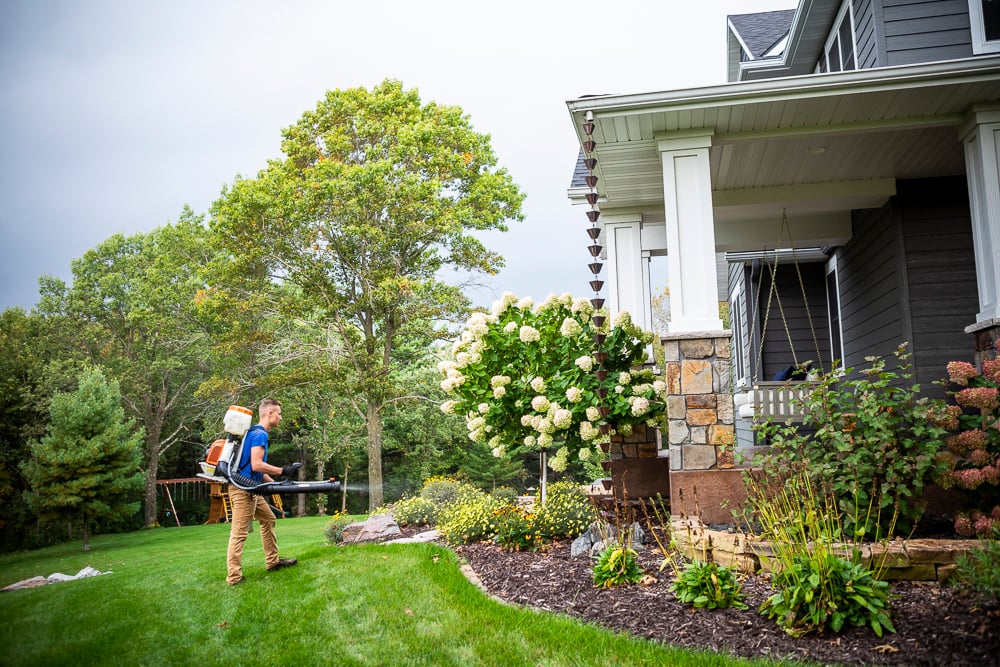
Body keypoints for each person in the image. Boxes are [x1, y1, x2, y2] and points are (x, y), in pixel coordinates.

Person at [226, 398, 299, 586]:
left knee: (268, 519)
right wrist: (284, 470)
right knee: (239, 533)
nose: (281, 417)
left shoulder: (254, 433)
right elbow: (258, 465)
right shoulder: (260, 435)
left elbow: (253, 468)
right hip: (243, 491)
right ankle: (234, 577)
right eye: (279, 413)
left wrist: (277, 485)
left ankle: (273, 562)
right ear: (269, 414)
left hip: (250, 488)